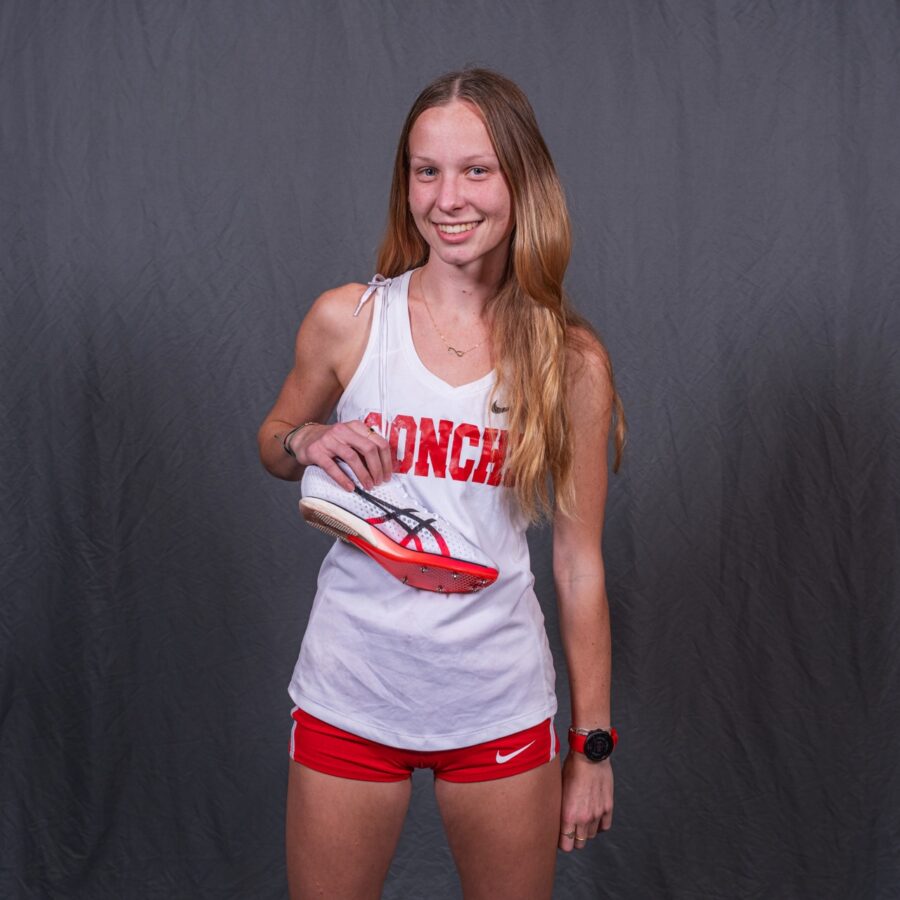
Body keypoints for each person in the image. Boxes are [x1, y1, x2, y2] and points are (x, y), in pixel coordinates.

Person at [258, 67, 625, 899]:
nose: (449, 197)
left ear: (520, 180)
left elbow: (578, 566)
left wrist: (592, 746)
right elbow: (274, 446)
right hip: (353, 691)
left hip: (496, 701)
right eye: (428, 171)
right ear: (406, 184)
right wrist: (311, 436)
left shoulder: (571, 363)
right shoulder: (349, 320)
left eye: (476, 170)